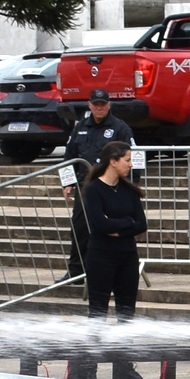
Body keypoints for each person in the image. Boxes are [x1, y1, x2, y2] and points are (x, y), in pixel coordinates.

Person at [62, 89, 126, 286]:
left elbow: (133, 158)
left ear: (109, 105)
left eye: (103, 104)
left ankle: (115, 273)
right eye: (96, 104)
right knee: (79, 228)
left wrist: (131, 185)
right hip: (85, 186)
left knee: (110, 231)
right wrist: (67, 182)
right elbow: (69, 156)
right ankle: (75, 272)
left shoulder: (120, 128)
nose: (99, 108)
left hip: (110, 187)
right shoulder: (80, 127)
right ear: (89, 105)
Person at [81, 139, 145, 321]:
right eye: (127, 159)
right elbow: (100, 225)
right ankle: (95, 347)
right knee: (98, 309)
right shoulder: (94, 190)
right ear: (113, 161)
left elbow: (141, 224)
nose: (131, 164)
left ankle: (122, 347)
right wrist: (127, 221)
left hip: (127, 256)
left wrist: (119, 227)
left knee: (127, 309)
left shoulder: (129, 190)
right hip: (101, 256)